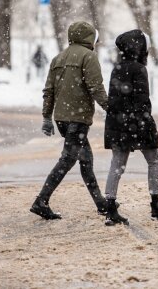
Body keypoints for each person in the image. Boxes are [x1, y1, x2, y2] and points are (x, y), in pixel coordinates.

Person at [30, 21, 109, 220]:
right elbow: (96, 87)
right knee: (67, 160)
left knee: (86, 160)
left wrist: (47, 118)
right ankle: (41, 200)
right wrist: (112, 109)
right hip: (78, 119)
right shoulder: (88, 56)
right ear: (90, 37)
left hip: (63, 119)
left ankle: (100, 203)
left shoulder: (58, 58)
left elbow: (49, 91)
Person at [103, 29, 158, 226]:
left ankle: (110, 206)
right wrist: (145, 124)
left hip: (118, 123)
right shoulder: (138, 69)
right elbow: (142, 100)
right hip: (137, 122)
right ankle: (156, 205)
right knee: (155, 160)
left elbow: (116, 99)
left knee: (117, 164)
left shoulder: (117, 68)